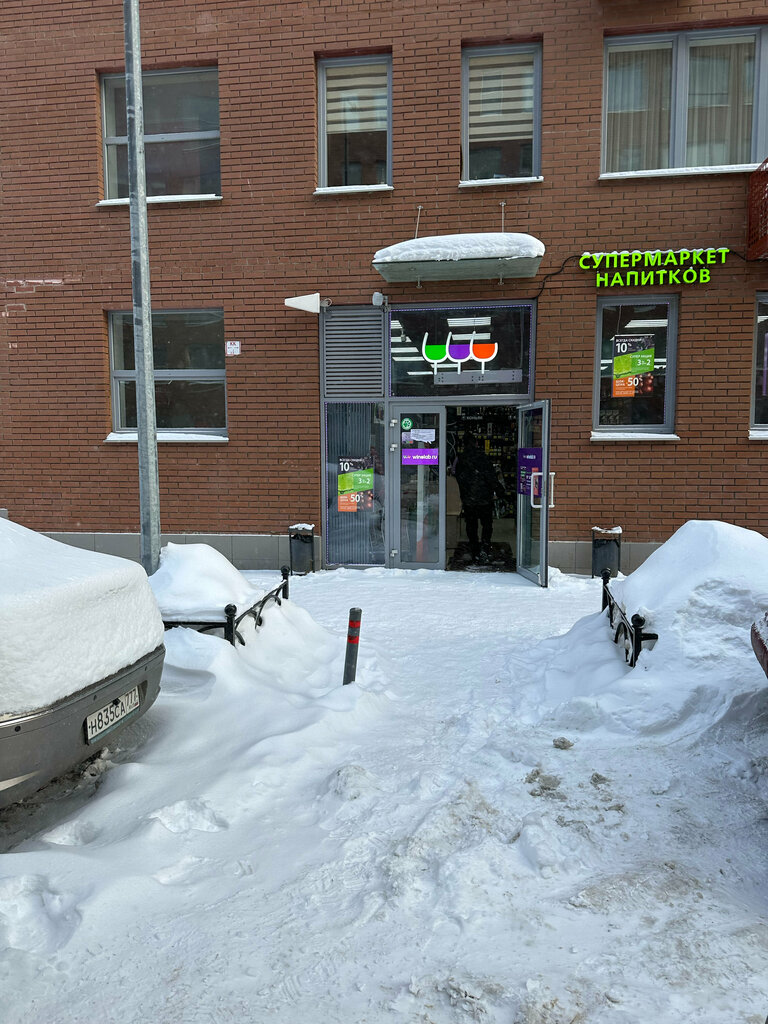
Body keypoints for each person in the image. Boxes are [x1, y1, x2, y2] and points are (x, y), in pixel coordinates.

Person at [454, 435, 506, 564]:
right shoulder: (483, 457)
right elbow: (491, 477)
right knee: (486, 524)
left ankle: (474, 549)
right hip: (484, 498)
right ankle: (485, 548)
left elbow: (457, 477)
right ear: (476, 443)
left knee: (471, 525)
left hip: (468, 498)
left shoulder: (460, 459)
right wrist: (500, 491)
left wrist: (464, 493)